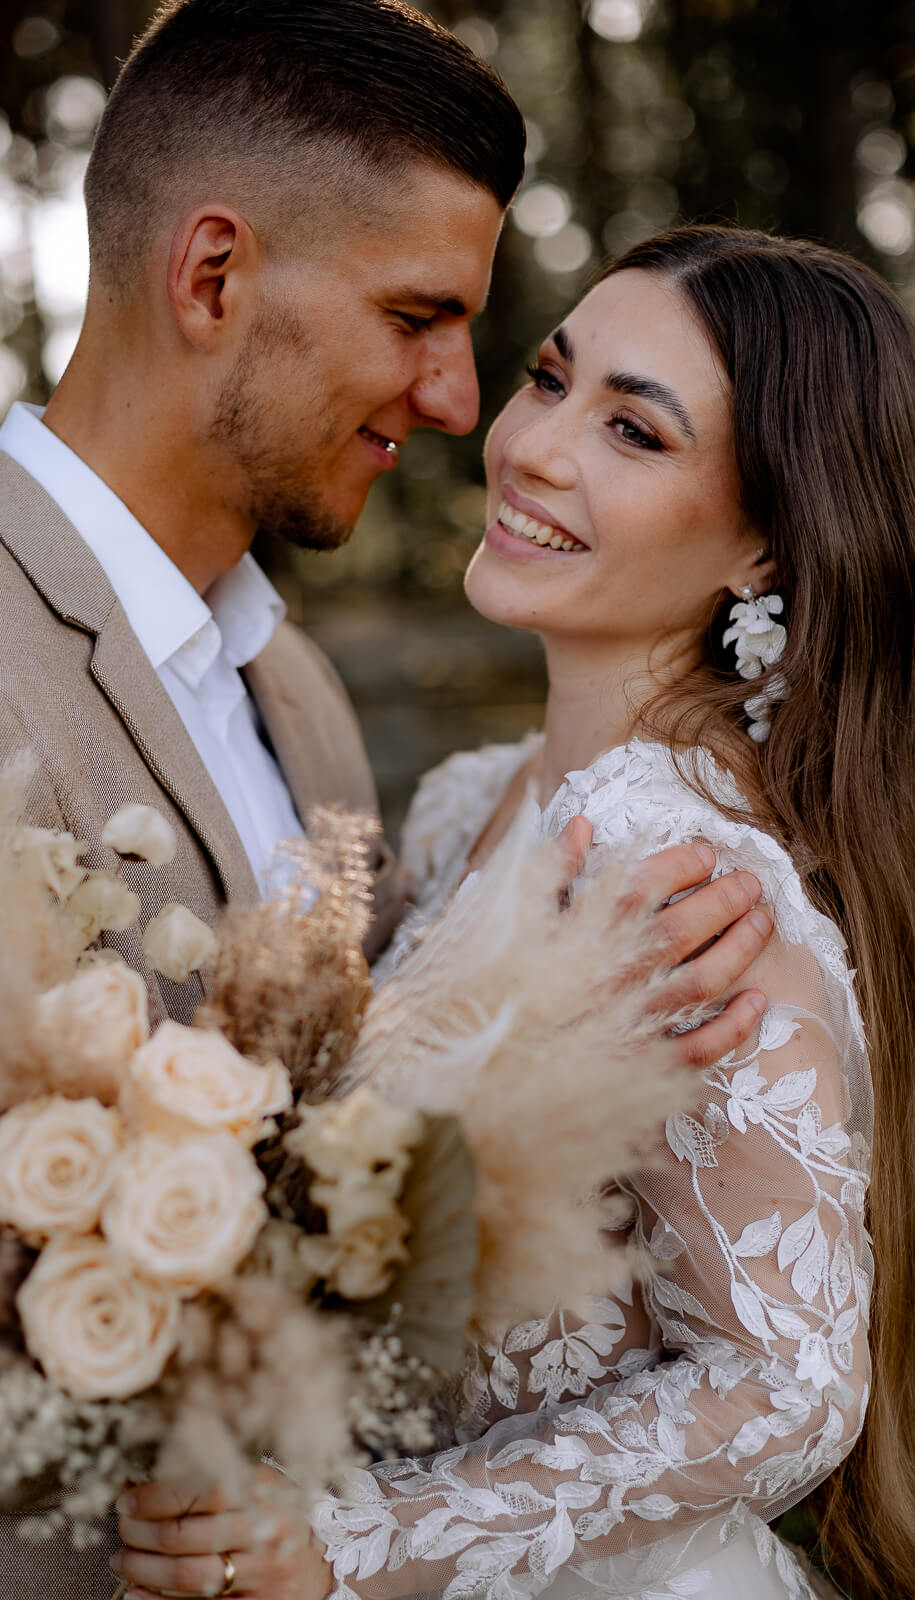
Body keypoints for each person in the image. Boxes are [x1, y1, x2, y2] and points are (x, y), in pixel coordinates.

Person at [0, 8, 772, 1598]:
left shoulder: (297, 688)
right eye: (418, 317)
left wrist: (575, 1019)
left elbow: (355, 1173)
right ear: (213, 275)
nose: (461, 399)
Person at [113, 224, 915, 1600]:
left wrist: (357, 1545)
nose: (535, 447)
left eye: (634, 432)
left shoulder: (688, 891)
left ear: (765, 546)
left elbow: (785, 1386)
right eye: (551, 380)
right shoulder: (473, 801)